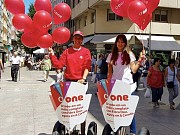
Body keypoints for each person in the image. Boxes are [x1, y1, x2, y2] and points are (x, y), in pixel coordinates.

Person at [48, 30, 91, 135]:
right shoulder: (67, 51)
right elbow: (59, 65)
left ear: (82, 40)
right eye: (76, 37)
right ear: (73, 39)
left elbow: (87, 66)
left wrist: (83, 79)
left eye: (80, 38)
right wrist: (52, 54)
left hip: (80, 82)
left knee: (81, 109)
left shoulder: (86, 51)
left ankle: (82, 132)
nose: (77, 39)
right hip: (68, 82)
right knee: (67, 108)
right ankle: (67, 128)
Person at [106, 34, 145, 135]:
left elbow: (134, 70)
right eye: (118, 41)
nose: (120, 43)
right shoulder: (111, 55)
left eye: (122, 42)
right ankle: (114, 129)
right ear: (116, 43)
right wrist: (108, 84)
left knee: (128, 109)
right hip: (115, 85)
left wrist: (140, 60)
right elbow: (109, 72)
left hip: (127, 85)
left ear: (125, 43)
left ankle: (133, 132)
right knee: (115, 109)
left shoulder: (129, 54)